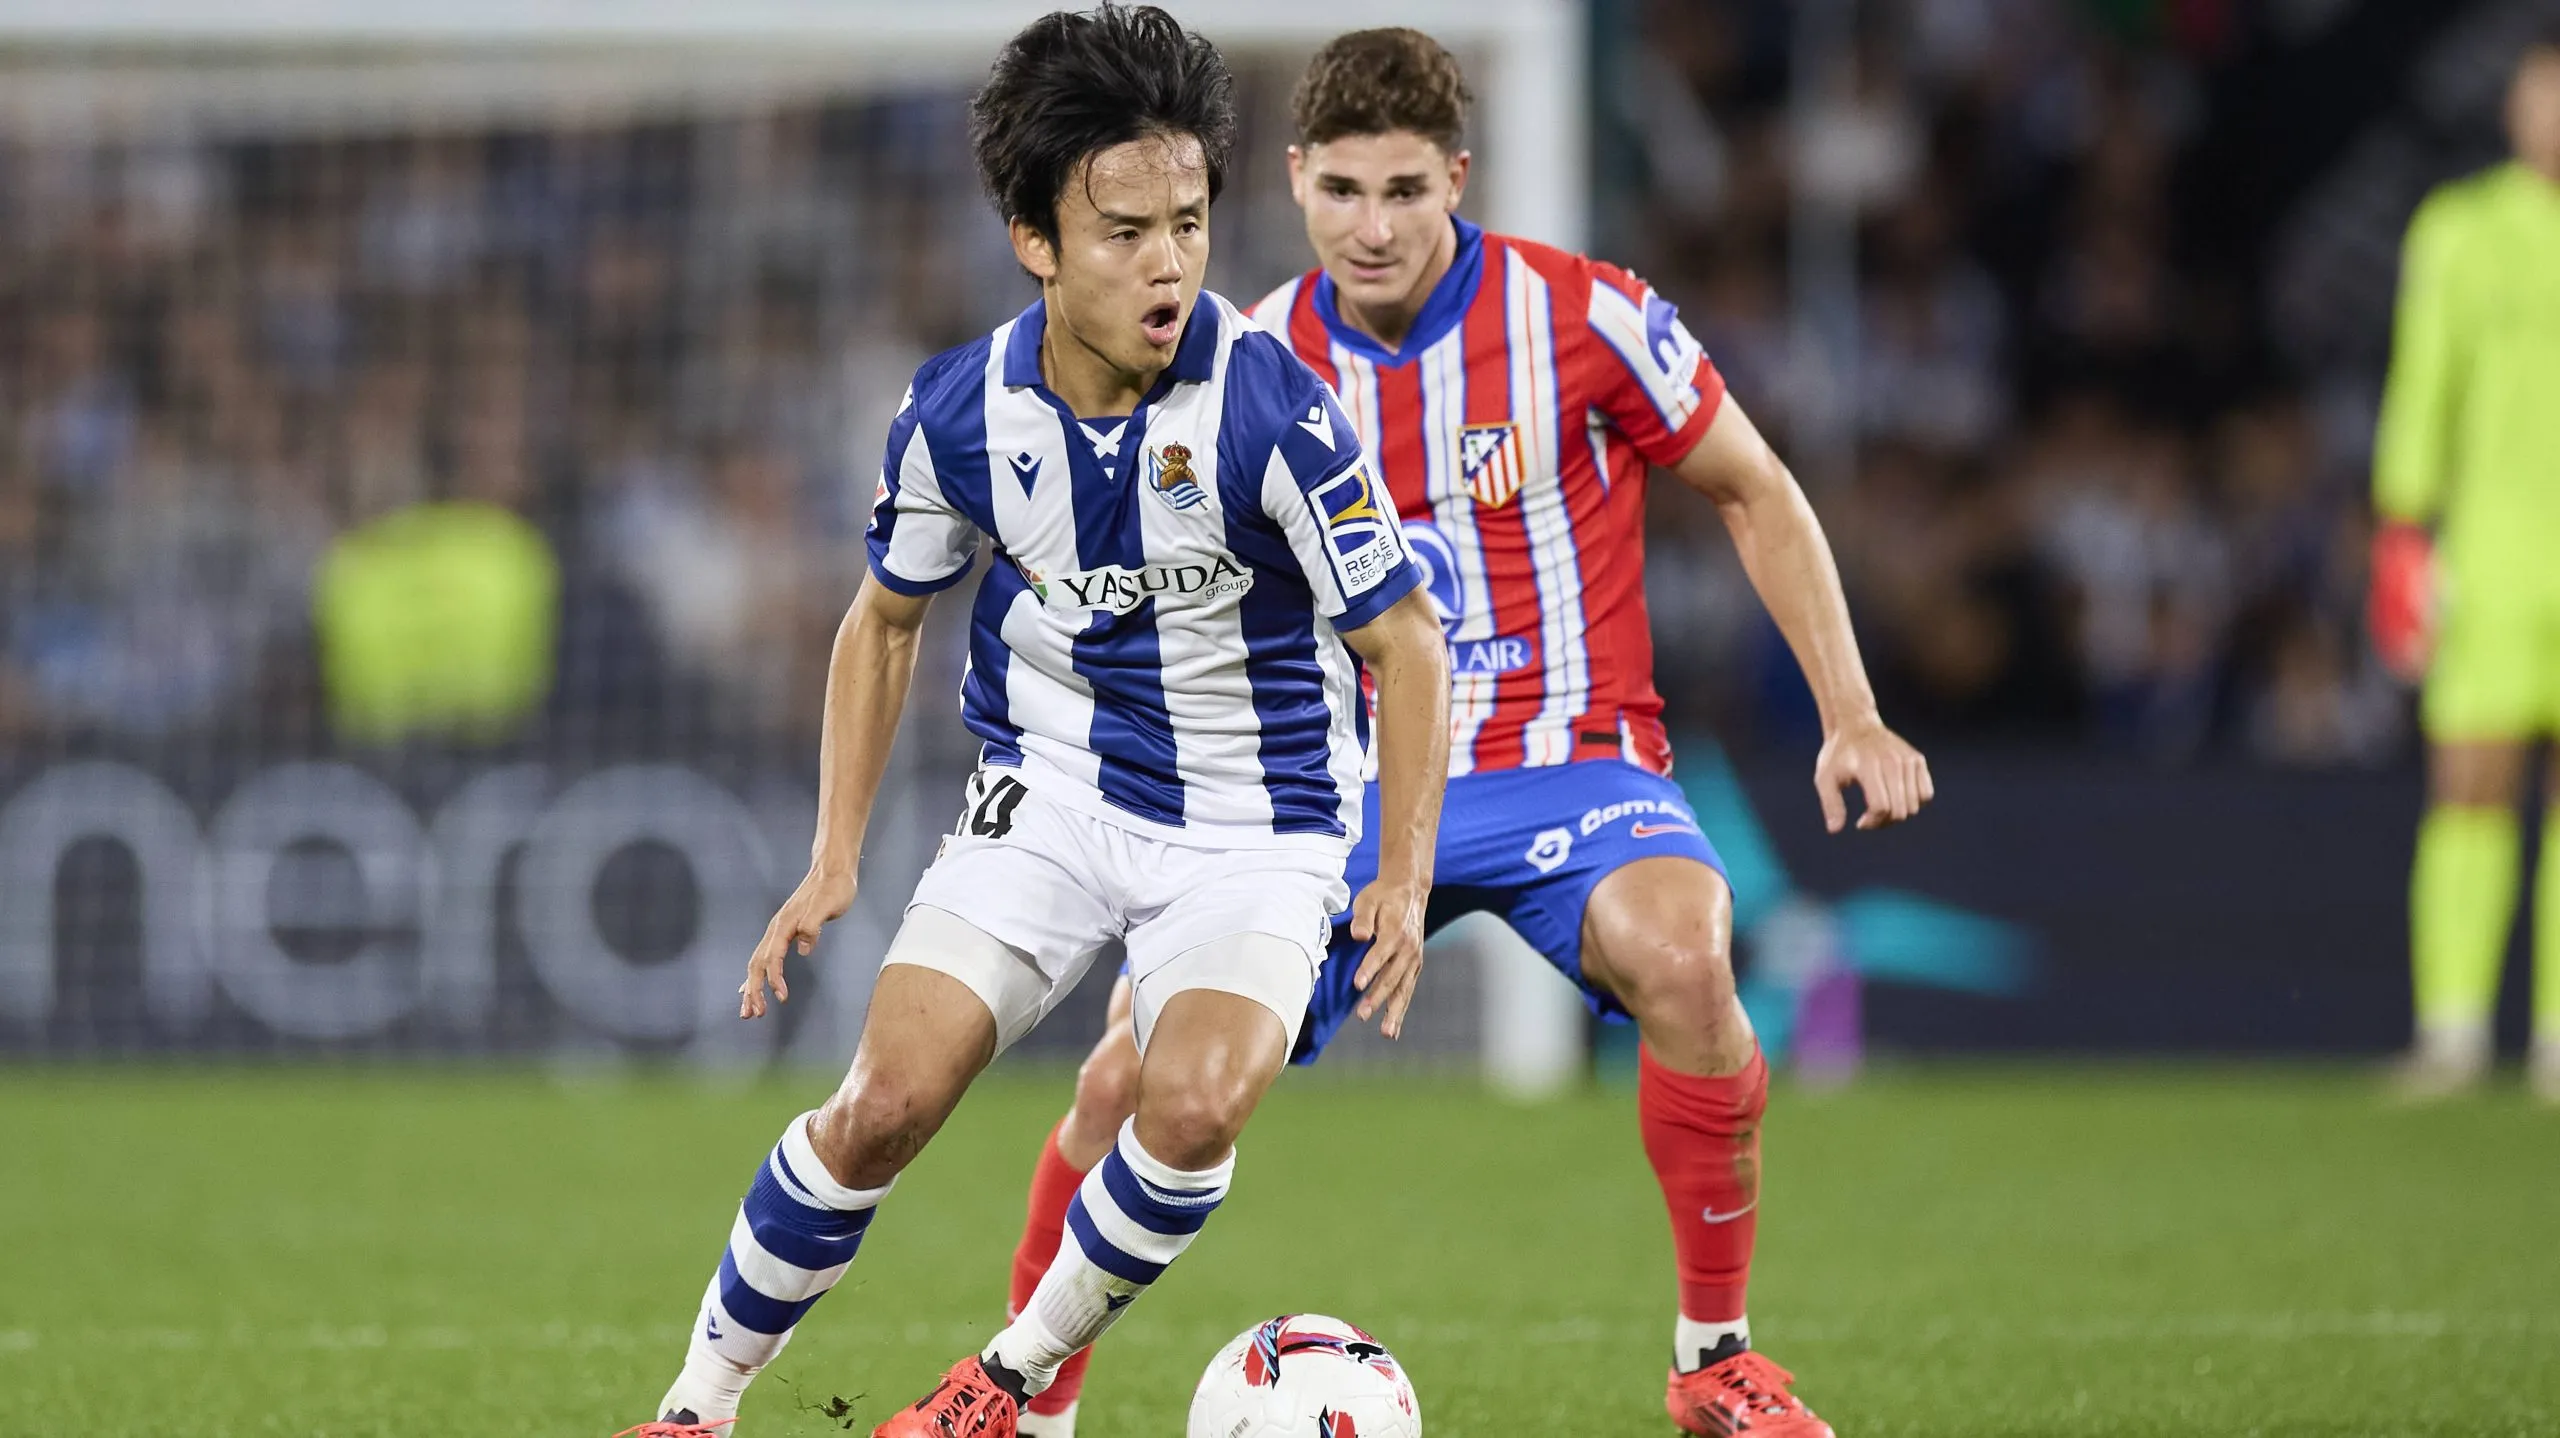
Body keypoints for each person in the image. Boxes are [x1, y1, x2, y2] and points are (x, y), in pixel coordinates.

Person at [1000, 28, 1931, 1438]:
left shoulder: (1588, 314)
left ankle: (1715, 1357)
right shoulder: (1241, 362)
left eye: (1406, 192)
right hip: (1338, 796)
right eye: (1343, 193)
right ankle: (1024, 1399)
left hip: (1571, 755)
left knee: (1690, 952)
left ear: (1459, 181)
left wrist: (1849, 710)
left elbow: (1754, 486)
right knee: (1131, 1072)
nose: (1371, 229)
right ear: (1298, 180)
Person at [618, 9, 1452, 1436]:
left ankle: (999, 1384)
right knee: (882, 1102)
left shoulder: (1270, 404)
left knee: (1192, 1103)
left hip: (1261, 816)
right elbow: (885, 619)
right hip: (1054, 787)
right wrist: (833, 857)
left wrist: (1406, 871)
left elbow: (1406, 639)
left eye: (1189, 222)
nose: (1171, 262)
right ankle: (695, 1408)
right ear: (1035, 239)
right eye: (1125, 230)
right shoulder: (958, 412)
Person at [2371, 24, 2560, 1104]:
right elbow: (2421, 387)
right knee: (2470, 784)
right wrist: (2402, 530)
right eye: (2542, 96)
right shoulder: (2460, 230)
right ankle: (2450, 1029)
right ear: (2512, 108)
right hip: (2489, 554)